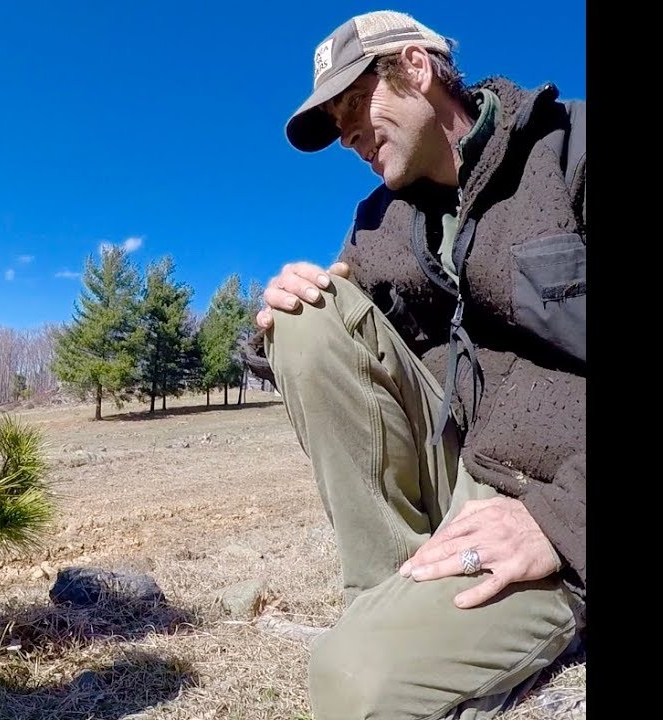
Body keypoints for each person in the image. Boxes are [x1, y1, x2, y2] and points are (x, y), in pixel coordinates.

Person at [241, 10, 586, 718]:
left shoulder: (569, 152)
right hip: (464, 464)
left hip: (549, 487)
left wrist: (561, 518)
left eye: (352, 105)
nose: (346, 137)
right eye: (335, 125)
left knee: (347, 680)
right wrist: (273, 317)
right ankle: (383, 593)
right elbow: (325, 347)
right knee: (312, 312)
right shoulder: (381, 220)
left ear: (416, 69)